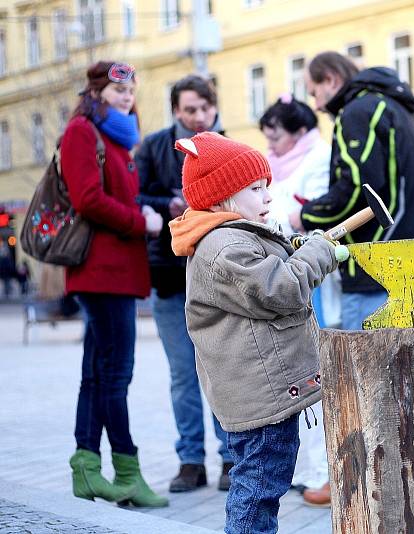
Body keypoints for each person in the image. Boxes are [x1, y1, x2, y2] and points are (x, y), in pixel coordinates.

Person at [169, 131, 344, 534]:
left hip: (261, 393)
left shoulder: (235, 237)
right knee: (258, 486)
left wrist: (298, 248)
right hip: (257, 398)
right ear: (222, 195)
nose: (267, 197)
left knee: (264, 481)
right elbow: (279, 290)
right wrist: (316, 255)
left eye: (267, 186)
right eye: (255, 188)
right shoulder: (223, 247)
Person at [62, 61, 167, 507]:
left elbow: (123, 197)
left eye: (131, 90)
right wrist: (140, 222)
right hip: (103, 273)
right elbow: (87, 199)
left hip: (119, 271)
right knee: (115, 375)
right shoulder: (82, 132)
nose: (127, 96)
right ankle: (127, 470)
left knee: (96, 373)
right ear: (98, 90)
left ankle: (86, 466)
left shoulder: (119, 139)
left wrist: (161, 206)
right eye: (118, 88)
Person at [293, 52, 414, 330]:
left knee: (364, 369)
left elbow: (358, 189)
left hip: (376, 262)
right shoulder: (396, 106)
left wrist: (306, 214)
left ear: (331, 79)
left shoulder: (358, 112)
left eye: (314, 93)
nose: (316, 105)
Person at [136, 74, 232, 492]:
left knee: (221, 370)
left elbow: (245, 197)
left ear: (214, 108)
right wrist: (168, 203)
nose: (198, 117)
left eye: (204, 109)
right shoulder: (154, 147)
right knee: (182, 374)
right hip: (170, 278)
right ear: (176, 109)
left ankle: (232, 457)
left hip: (217, 278)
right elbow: (134, 196)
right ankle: (190, 460)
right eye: (189, 109)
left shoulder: (228, 147)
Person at [259, 94, 338, 506]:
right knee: (296, 367)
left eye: (276, 136)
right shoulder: (274, 167)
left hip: (312, 274)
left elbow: (312, 217)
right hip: (284, 269)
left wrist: (288, 221)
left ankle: (325, 470)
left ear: (299, 131)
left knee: (317, 369)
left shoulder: (319, 159)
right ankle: (305, 469)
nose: (271, 146)